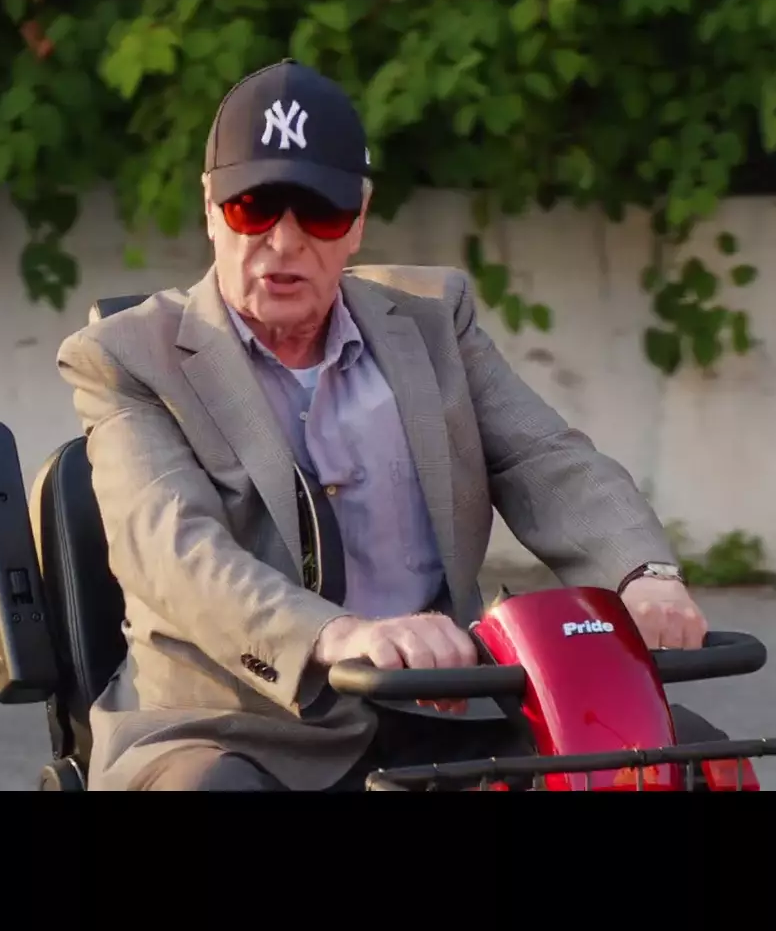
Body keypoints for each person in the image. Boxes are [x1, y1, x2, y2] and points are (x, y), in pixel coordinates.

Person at [54, 58, 707, 792]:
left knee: (676, 756)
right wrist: (340, 636)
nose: (284, 242)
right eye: (253, 209)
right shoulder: (126, 355)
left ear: (358, 221)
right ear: (210, 209)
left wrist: (641, 575)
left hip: (440, 708)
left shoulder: (433, 322)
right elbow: (173, 549)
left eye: (320, 214)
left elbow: (544, 459)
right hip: (230, 730)